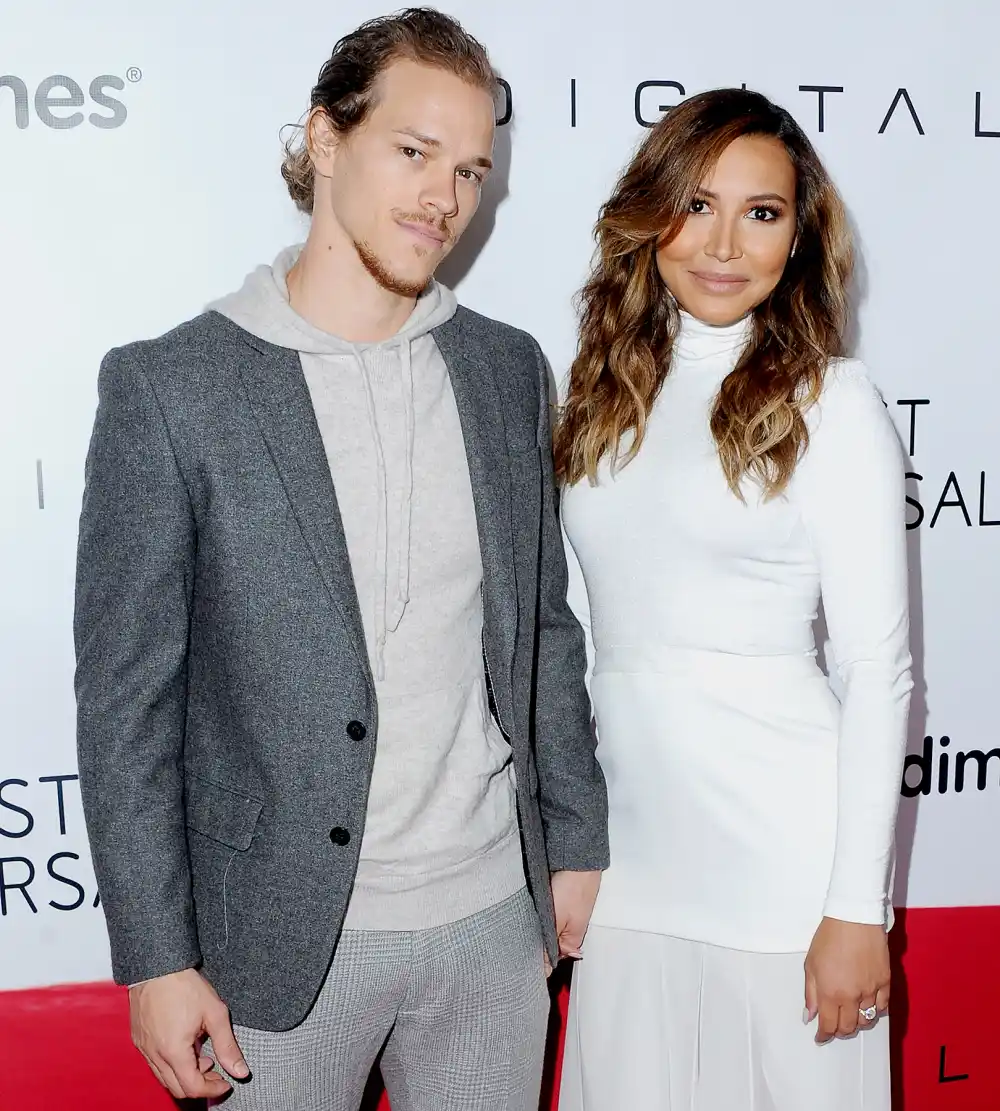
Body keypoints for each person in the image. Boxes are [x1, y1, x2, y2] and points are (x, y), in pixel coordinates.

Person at [73, 10, 608, 1110]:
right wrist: (155, 957)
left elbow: (544, 632)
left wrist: (576, 842)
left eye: (469, 171)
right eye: (413, 153)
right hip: (273, 946)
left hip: (490, 928)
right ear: (325, 141)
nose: (444, 200)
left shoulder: (505, 370)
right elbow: (126, 702)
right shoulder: (172, 389)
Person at [554, 88, 911, 1110]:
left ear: (798, 239)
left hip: (785, 882)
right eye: (695, 204)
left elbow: (874, 671)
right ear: (648, 215)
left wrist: (856, 910)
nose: (723, 243)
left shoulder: (832, 405)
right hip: (628, 876)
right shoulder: (596, 397)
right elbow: (574, 648)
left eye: (761, 213)